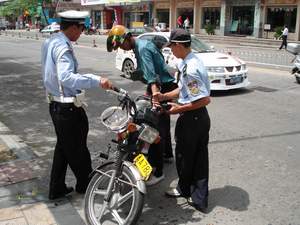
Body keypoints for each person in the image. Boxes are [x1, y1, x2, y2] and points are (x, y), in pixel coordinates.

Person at [41, 10, 113, 200]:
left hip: (56, 105)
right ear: (73, 27)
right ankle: (86, 184)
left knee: (64, 147)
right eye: (81, 29)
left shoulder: (51, 41)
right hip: (67, 108)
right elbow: (66, 78)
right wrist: (96, 80)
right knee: (78, 149)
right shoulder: (63, 47)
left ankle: (56, 188)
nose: (81, 32)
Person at [106, 25, 178, 185]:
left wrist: (155, 97)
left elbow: (151, 75)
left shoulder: (142, 47)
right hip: (161, 84)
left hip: (161, 86)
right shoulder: (141, 44)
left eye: (121, 45)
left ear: (126, 37)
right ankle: (167, 155)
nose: (122, 49)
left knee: (152, 130)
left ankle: (157, 171)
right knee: (162, 123)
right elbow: (148, 70)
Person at [154, 29, 211, 212]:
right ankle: (192, 192)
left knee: (186, 158)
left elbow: (203, 99)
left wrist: (178, 109)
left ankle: (191, 193)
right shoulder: (190, 62)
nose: (171, 51)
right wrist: (164, 96)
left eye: (172, 47)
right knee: (197, 158)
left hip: (193, 119)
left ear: (178, 45)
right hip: (198, 118)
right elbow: (182, 89)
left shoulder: (191, 69)